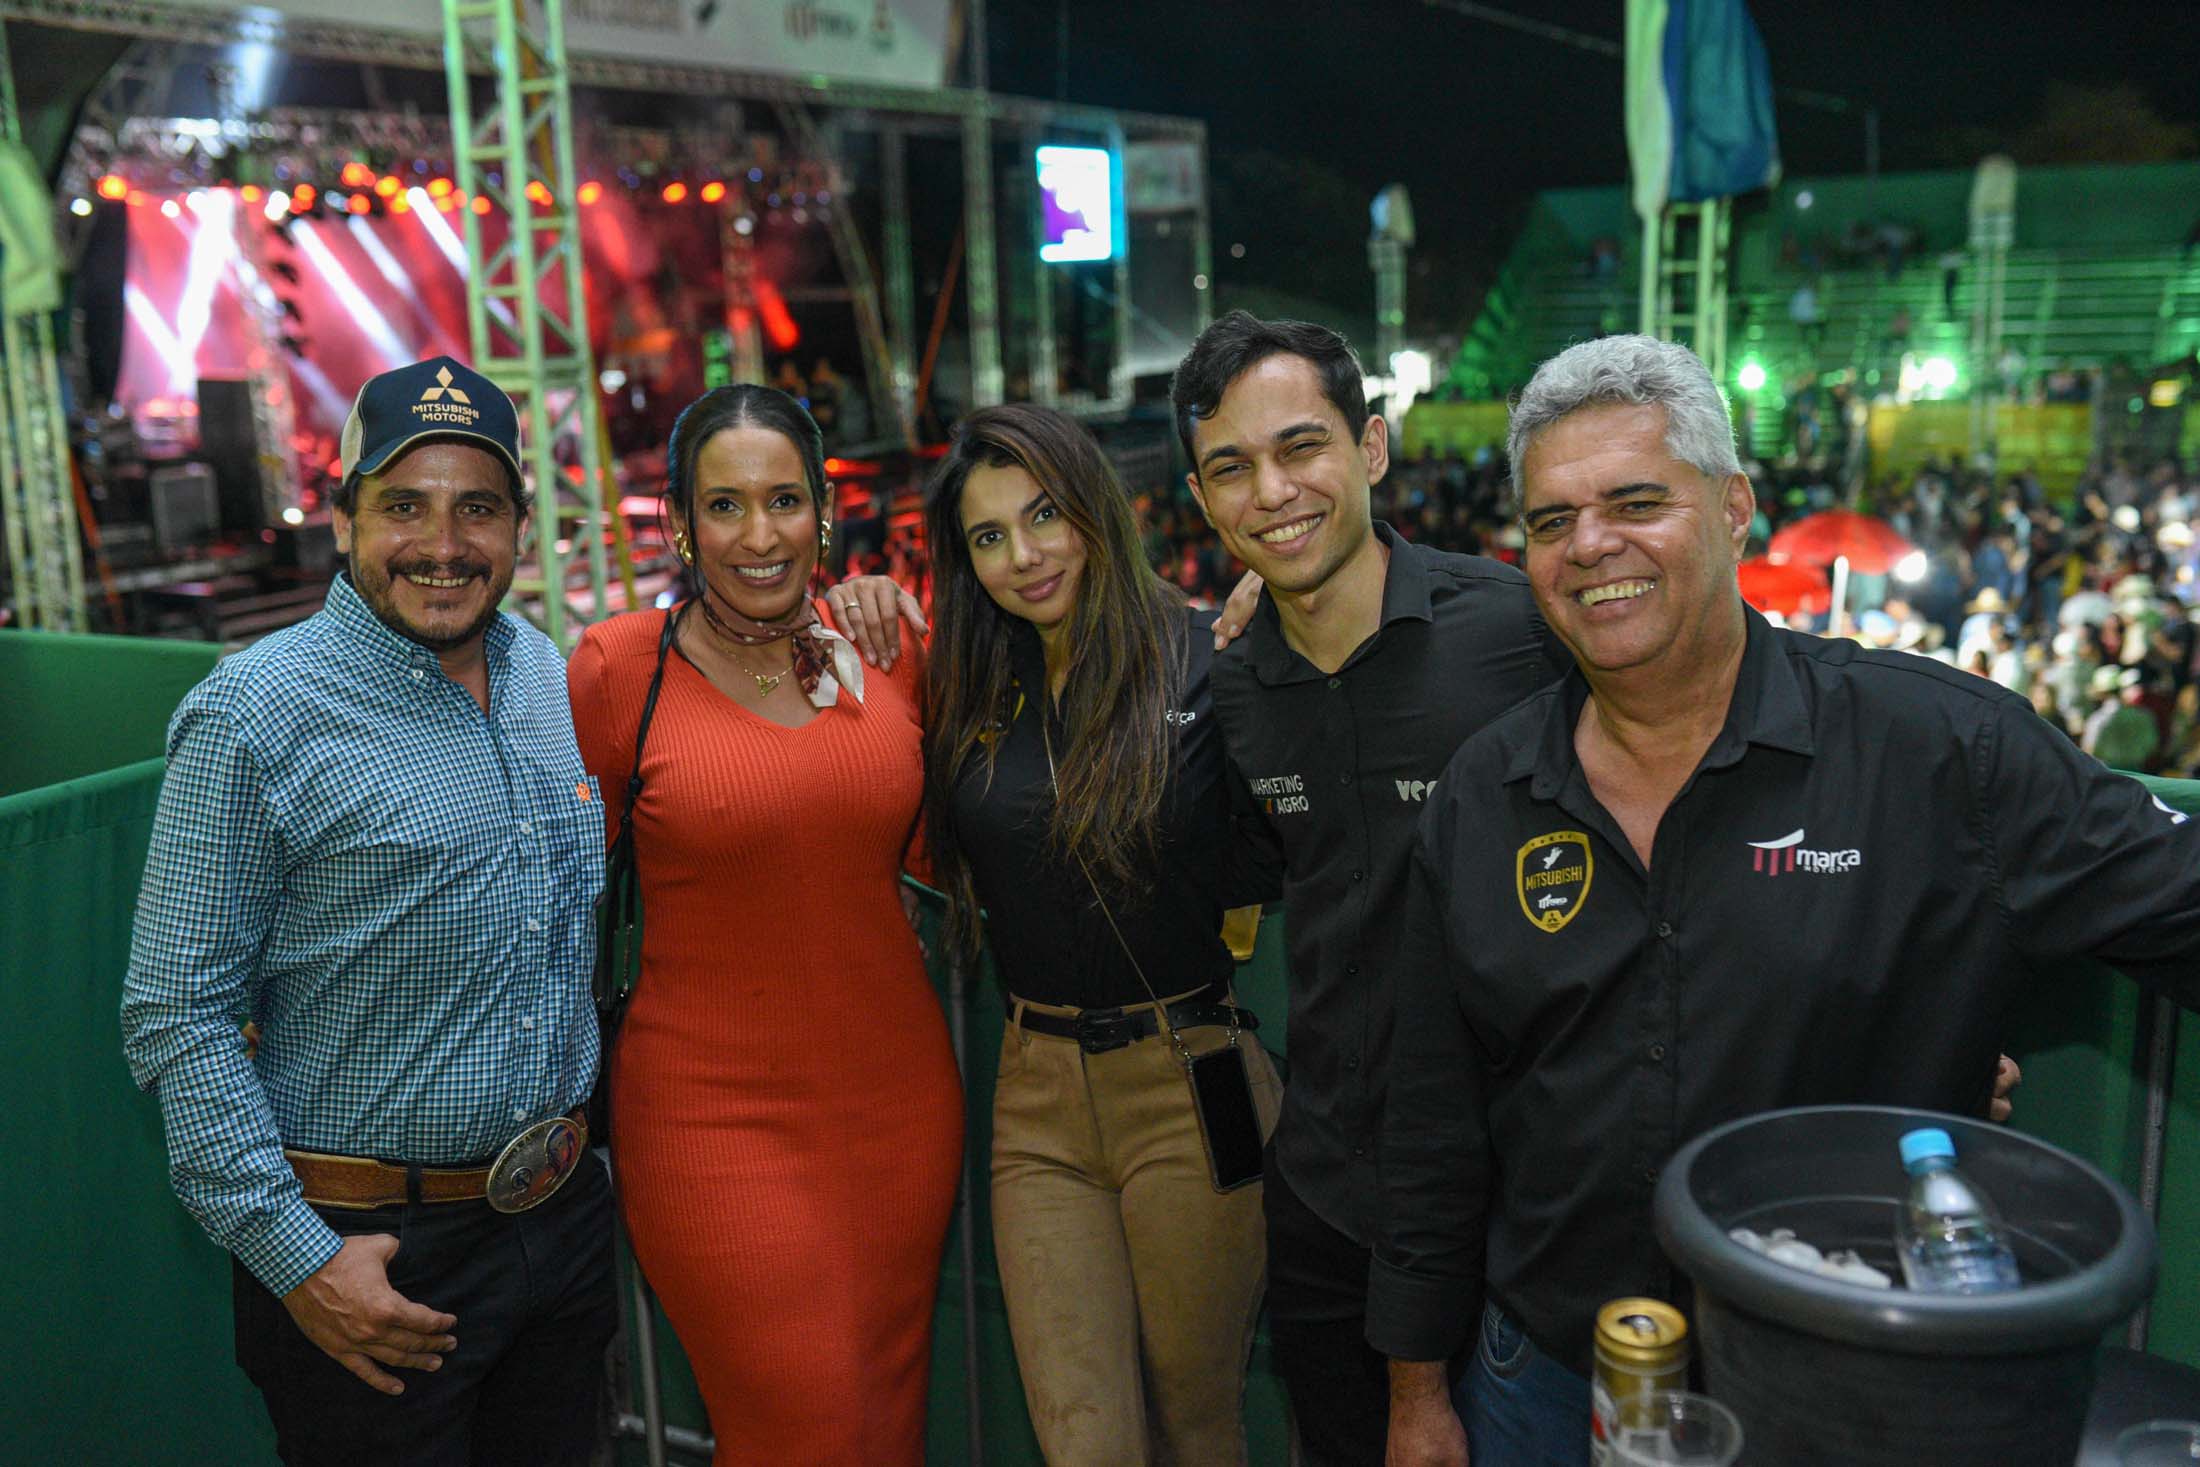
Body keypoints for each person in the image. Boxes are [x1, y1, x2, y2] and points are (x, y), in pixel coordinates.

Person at [1368, 335, 2200, 1466]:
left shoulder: (1939, 750)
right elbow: (1431, 1120)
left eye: (1637, 502)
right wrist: (1417, 1393)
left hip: (1851, 1395)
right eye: (1552, 520)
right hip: (1547, 1382)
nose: (1590, 544)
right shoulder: (1483, 790)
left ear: (1733, 509)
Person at [120, 356, 615, 1465]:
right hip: (372, 1256)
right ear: (344, 519)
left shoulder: (542, 673)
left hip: (558, 1228)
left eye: (477, 508)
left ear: (518, 527)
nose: (443, 544)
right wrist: (299, 1259)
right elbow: (176, 1015)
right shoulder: (254, 714)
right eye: (404, 506)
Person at [1167, 311, 1568, 1465]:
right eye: (1230, 468)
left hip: (1515, 1205)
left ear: (1372, 448)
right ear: (1201, 499)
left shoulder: (1519, 630)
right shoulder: (1236, 687)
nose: (1271, 492)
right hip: (1327, 1197)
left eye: (1301, 447)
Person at [566, 384, 961, 1466]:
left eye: (784, 500)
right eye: (725, 505)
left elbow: (952, 853)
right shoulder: (618, 669)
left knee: (886, 1425)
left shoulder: (885, 652)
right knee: (806, 1427)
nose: (759, 535)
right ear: (680, 523)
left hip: (897, 1109)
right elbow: (552, 889)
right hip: (711, 1122)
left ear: (823, 514)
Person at [917, 402, 1283, 1464]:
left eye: (1044, 516)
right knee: (1083, 1442)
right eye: (989, 536)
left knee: (1198, 1425)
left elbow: (1287, 834)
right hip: (1035, 1100)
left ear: (1095, 509)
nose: (1023, 556)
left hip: (1191, 1081)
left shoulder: (1208, 656)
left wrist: (1293, 619)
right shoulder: (971, 686)